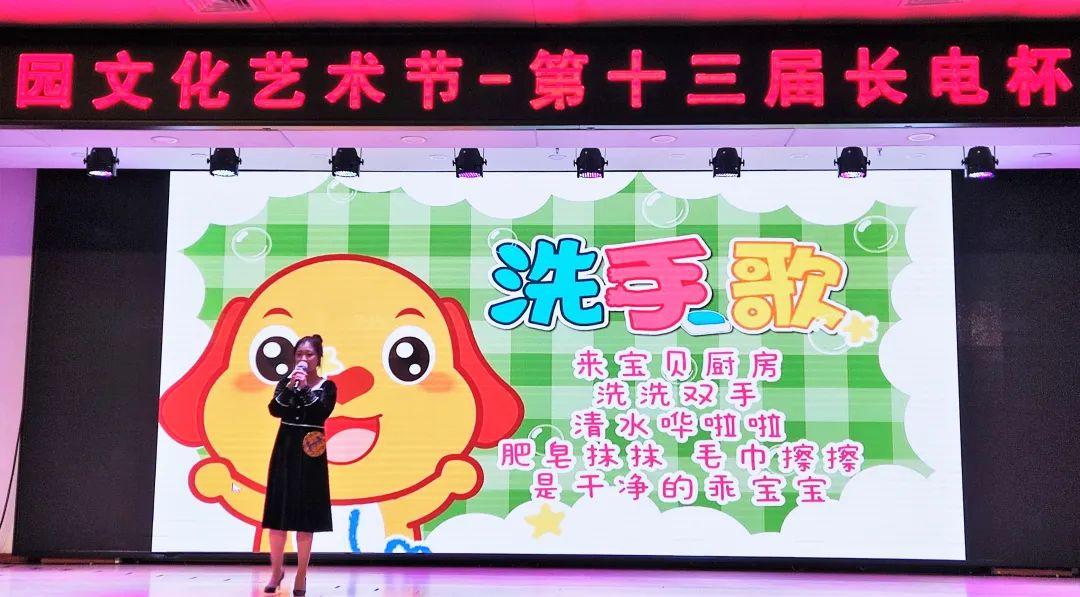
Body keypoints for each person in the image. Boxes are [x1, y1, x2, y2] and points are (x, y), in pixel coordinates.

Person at [261, 334, 336, 596]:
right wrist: (292, 387)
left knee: (305, 518)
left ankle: (301, 575)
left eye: (309, 354)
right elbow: (275, 409)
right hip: (285, 449)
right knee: (278, 516)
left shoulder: (327, 386)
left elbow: (321, 413)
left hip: (311, 452)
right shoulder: (286, 383)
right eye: (299, 354)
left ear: (318, 358)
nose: (303, 359)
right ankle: (275, 572)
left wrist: (305, 389)